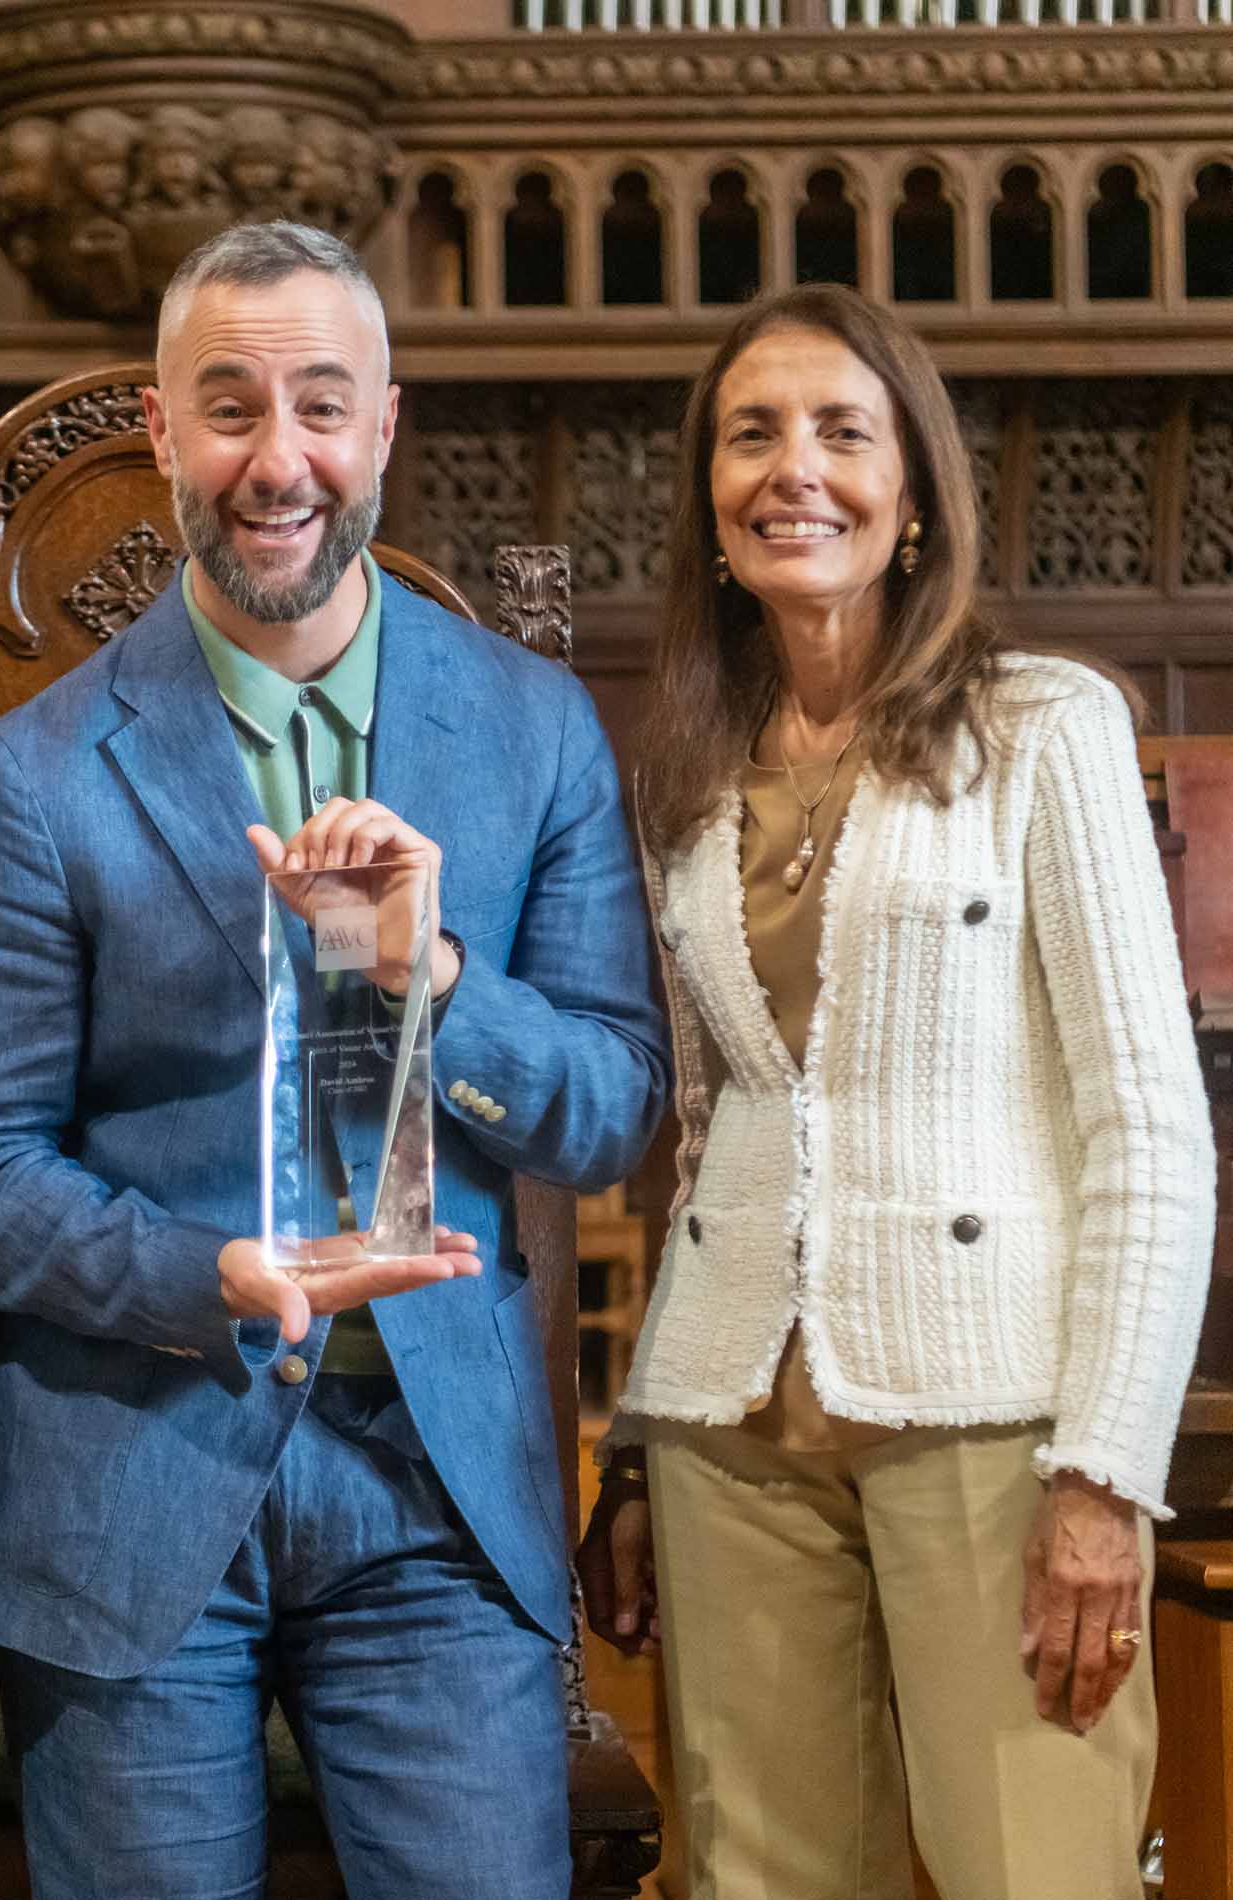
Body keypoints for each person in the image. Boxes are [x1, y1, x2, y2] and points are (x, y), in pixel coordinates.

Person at [0, 221, 671, 1899]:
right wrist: (201, 1274)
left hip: (436, 1485)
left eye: (321, 403)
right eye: (229, 406)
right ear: (164, 434)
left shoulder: (531, 728)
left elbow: (609, 1112)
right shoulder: (39, 772)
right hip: (131, 1462)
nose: (277, 456)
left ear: (385, 425)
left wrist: (434, 970)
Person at [577, 284, 1214, 1900]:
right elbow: (705, 1137)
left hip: (990, 1422)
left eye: (843, 431)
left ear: (916, 492)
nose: (796, 469)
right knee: (760, 1879)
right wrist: (645, 1449)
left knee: (1037, 1874)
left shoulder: (1044, 727)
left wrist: (1102, 1477)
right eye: (752, 434)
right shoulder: (693, 773)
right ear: (710, 502)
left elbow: (1147, 1129)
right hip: (738, 1430)